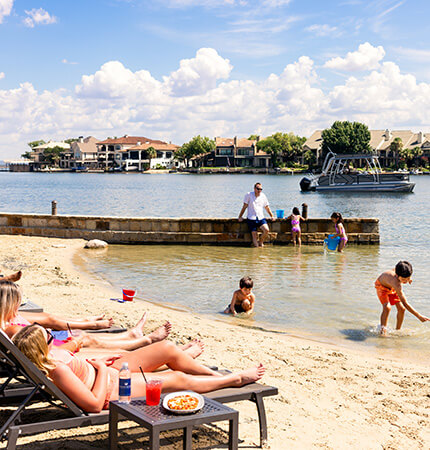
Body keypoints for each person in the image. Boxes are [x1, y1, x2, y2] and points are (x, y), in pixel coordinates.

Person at [13, 324, 265, 413]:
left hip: (107, 371)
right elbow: (92, 404)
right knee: (175, 378)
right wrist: (100, 369)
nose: (52, 337)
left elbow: (74, 353)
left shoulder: (52, 355)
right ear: (41, 348)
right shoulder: (57, 370)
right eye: (49, 337)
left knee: (165, 348)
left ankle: (208, 372)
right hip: (110, 388)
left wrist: (100, 357)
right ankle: (233, 379)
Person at [0, 280, 174, 352]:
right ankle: (145, 341)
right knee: (88, 340)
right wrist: (74, 342)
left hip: (50, 340)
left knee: (85, 336)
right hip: (52, 348)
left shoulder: (8, 320)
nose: (19, 305)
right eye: (17, 301)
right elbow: (43, 350)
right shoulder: (11, 327)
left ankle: (130, 335)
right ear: (8, 304)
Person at [375, 261, 429, 336]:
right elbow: (405, 303)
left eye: (408, 278)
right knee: (387, 308)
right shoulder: (397, 284)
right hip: (382, 287)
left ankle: (397, 330)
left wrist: (408, 278)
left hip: (392, 288)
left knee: (402, 309)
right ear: (397, 276)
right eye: (404, 279)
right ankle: (382, 332)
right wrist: (419, 316)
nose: (406, 281)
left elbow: (400, 268)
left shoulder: (401, 270)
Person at [238, 182, 275, 247]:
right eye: (258, 189)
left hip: (260, 217)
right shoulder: (248, 195)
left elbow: (267, 207)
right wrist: (240, 216)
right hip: (251, 218)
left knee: (266, 230)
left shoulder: (263, 196)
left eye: (261, 189)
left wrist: (271, 216)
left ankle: (261, 241)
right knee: (254, 238)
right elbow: (244, 206)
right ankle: (256, 251)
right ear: (254, 189)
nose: (259, 191)